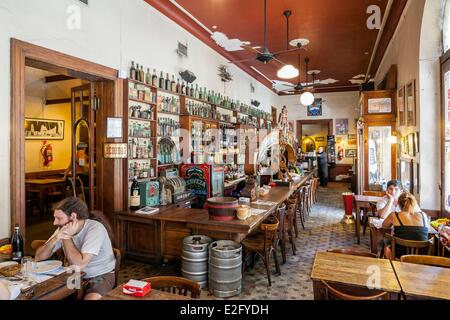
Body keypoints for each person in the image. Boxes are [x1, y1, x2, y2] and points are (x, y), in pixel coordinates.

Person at [35, 197, 116, 300]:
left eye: (59, 218)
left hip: (100, 275)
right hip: (73, 274)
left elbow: (79, 265)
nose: (54, 223)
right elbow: (38, 257)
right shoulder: (62, 229)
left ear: (73, 217)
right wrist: (56, 238)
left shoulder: (95, 229)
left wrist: (66, 237)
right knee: (50, 295)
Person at [382, 193, 430, 259]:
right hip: (421, 255)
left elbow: (384, 225)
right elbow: (428, 229)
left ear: (399, 204)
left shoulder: (394, 215)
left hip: (400, 255)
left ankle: (392, 266)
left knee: (387, 248)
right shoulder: (423, 215)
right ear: (414, 203)